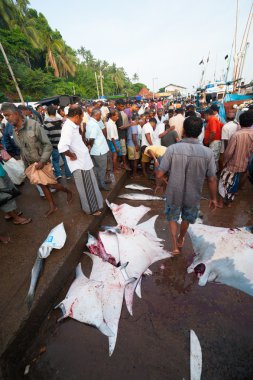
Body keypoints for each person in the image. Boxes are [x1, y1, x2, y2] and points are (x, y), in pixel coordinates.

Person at [156, 116, 217, 255]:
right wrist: (214, 198)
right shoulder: (208, 153)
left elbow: (159, 174)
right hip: (193, 195)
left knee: (172, 217)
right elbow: (212, 179)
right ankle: (181, 238)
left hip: (173, 193)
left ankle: (174, 246)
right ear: (200, 131)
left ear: (183, 130)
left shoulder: (172, 149)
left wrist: (160, 183)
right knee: (186, 218)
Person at [1, 102, 72, 217]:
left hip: (42, 163)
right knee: (43, 186)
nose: (6, 118)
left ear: (15, 113)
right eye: (4, 116)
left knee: (52, 184)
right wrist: (26, 167)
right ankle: (53, 206)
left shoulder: (34, 125)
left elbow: (47, 145)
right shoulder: (14, 129)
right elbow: (22, 149)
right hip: (31, 165)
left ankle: (68, 191)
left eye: (8, 115)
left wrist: (42, 161)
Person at [58, 106, 103, 216]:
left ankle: (91, 207)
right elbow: (62, 147)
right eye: (82, 117)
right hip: (80, 164)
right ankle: (91, 210)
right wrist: (71, 155)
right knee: (86, 189)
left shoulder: (72, 125)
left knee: (89, 187)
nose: (82, 119)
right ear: (77, 116)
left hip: (84, 162)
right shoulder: (68, 127)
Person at [219, 110, 253, 205]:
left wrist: (224, 161)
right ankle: (230, 200)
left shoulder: (237, 135)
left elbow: (229, 152)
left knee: (224, 182)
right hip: (245, 163)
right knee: (236, 182)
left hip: (233, 163)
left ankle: (222, 203)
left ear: (240, 121)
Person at [43, 105, 72, 180]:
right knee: (65, 159)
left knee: (55, 160)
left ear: (48, 113)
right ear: (55, 112)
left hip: (54, 145)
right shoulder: (61, 121)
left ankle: (58, 174)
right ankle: (68, 174)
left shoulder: (46, 123)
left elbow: (46, 136)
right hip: (62, 144)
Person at [86, 109, 110, 191]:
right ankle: (101, 184)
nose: (101, 117)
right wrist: (90, 145)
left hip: (95, 150)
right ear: (96, 115)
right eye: (100, 115)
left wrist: (90, 146)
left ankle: (100, 182)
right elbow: (92, 138)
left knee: (97, 168)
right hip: (99, 150)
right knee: (101, 168)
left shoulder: (90, 122)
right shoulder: (94, 124)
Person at [115, 99, 131, 171]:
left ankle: (121, 164)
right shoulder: (117, 113)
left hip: (120, 134)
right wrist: (131, 124)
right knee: (123, 151)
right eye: (121, 106)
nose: (123, 107)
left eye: (123, 106)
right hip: (120, 135)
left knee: (121, 151)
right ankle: (124, 165)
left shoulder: (119, 112)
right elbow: (121, 127)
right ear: (117, 105)